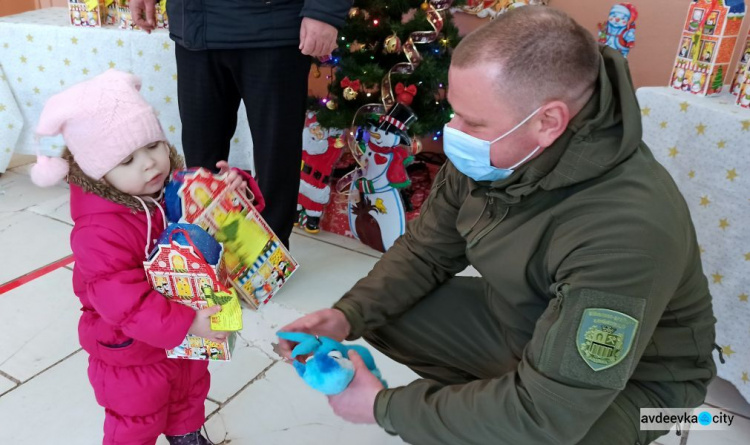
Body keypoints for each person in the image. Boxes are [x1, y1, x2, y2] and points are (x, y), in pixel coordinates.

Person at [277, 7, 717, 445]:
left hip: (644, 385)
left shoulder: (626, 232)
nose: (455, 131)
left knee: (559, 430)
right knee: (385, 311)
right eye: (456, 113)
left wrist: (385, 408)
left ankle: (498, 416)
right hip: (530, 321)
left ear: (548, 122)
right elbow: (425, 252)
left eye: (475, 122)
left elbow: (550, 416)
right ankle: (487, 412)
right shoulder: (498, 152)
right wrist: (345, 315)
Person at [29, 70, 241, 445]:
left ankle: (187, 434)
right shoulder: (98, 231)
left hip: (186, 326)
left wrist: (232, 191)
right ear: (99, 174)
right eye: (127, 160)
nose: (150, 164)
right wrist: (187, 322)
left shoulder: (174, 186)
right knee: (137, 416)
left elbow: (222, 223)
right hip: (130, 349)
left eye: (153, 146)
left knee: (189, 391)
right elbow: (122, 302)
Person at [129, 0, 351, 247]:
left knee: (275, 153)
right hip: (194, 26)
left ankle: (268, 256)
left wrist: (325, 11)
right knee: (200, 153)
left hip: (271, 26)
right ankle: (205, 246)